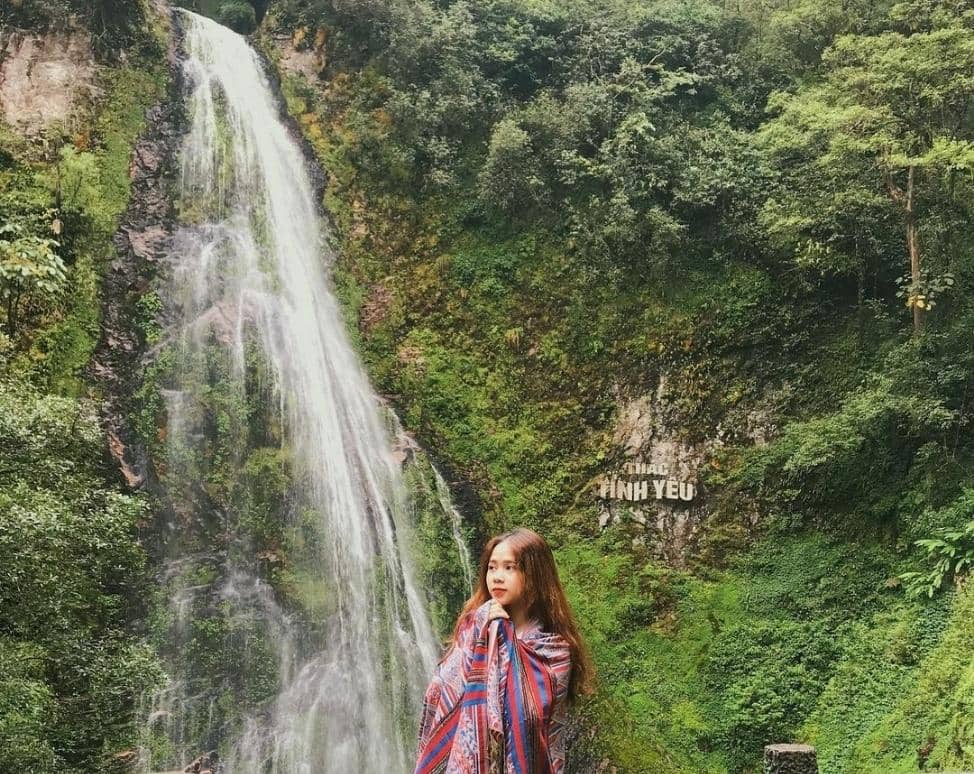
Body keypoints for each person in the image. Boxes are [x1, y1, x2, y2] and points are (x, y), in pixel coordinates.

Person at [415, 527, 594, 774]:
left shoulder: (553, 650)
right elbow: (439, 691)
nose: (497, 577)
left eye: (509, 568)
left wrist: (502, 635)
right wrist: (482, 630)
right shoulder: (474, 628)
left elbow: (528, 718)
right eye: (492, 567)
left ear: (535, 574)